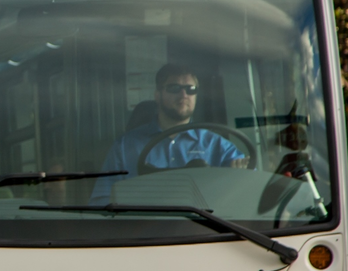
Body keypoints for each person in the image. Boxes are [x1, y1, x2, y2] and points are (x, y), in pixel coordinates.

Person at [92, 62, 248, 201]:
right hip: (143, 229)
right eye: (174, 88)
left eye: (190, 89)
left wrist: (239, 178)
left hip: (204, 230)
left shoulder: (216, 145)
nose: (184, 95)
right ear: (157, 96)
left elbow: (250, 185)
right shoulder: (125, 146)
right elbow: (101, 201)